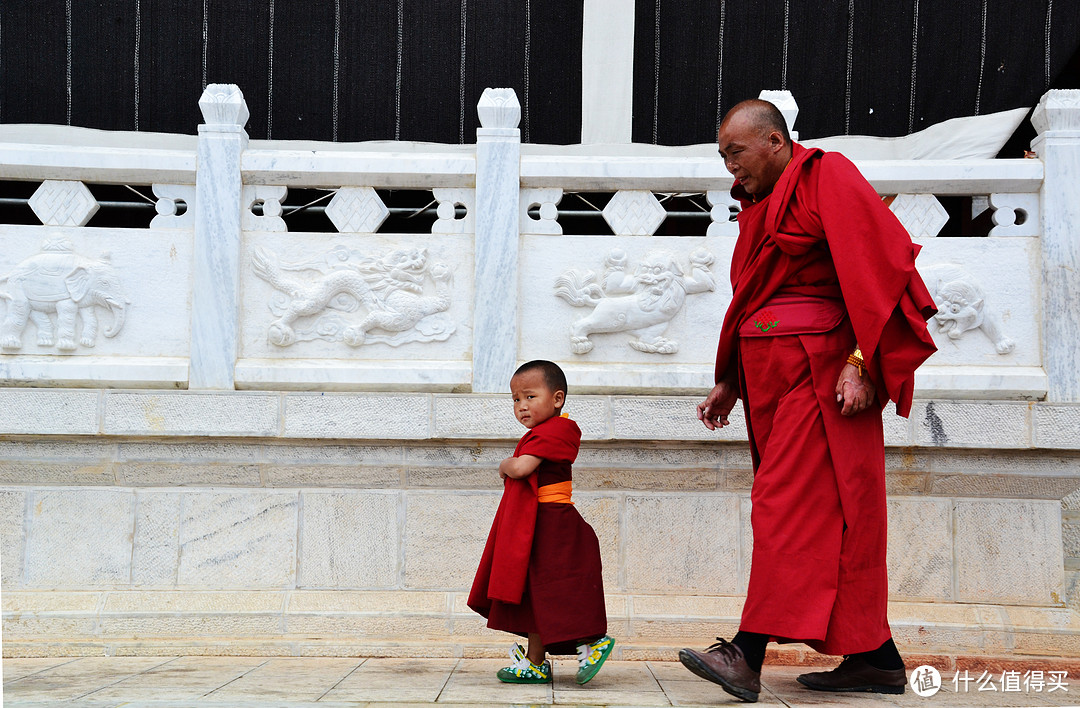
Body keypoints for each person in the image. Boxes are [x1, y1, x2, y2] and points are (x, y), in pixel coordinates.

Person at [677, 100, 938, 703]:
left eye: (735, 155)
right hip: (768, 376)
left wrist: (862, 361)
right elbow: (755, 297)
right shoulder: (762, 206)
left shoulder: (828, 175)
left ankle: (746, 651)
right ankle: (876, 656)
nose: (730, 171)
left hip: (819, 375)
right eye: (723, 158)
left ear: (774, 141)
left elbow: (878, 270)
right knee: (830, 515)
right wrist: (732, 379)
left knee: (782, 504)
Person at [468, 360, 614, 685]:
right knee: (534, 594)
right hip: (537, 524)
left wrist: (505, 464)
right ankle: (535, 662)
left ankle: (592, 641)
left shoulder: (559, 429)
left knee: (558, 590)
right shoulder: (541, 432)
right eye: (515, 399)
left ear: (557, 399)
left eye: (530, 397)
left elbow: (521, 469)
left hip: (554, 524)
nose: (522, 406)